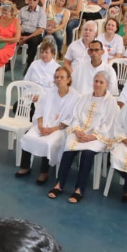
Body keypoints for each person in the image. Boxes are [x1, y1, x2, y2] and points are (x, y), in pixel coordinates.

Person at [51, 73, 119, 203]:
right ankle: (59, 184)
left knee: (87, 154)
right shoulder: (85, 97)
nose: (97, 84)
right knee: (68, 151)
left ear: (107, 85)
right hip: (80, 133)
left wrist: (93, 136)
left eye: (101, 82)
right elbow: (76, 116)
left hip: (98, 137)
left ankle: (79, 189)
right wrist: (77, 130)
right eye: (96, 81)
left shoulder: (111, 102)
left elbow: (109, 125)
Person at [16, 67, 76, 184]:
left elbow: (71, 119)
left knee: (47, 142)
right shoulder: (49, 93)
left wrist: (52, 129)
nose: (59, 80)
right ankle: (25, 166)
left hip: (60, 129)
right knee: (28, 136)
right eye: (56, 77)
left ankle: (44, 172)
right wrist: (40, 125)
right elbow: (39, 111)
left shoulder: (75, 97)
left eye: (62, 77)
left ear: (68, 79)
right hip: (44, 125)